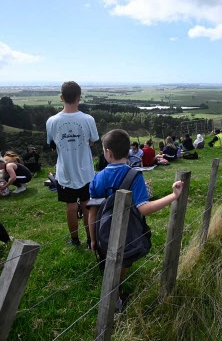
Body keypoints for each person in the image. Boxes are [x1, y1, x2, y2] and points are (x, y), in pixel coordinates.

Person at [88, 129, 183, 310]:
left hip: (102, 232)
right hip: (127, 233)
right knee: (121, 262)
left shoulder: (97, 178)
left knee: (109, 263)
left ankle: (113, 294)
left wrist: (93, 239)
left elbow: (92, 213)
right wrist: (173, 196)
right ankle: (115, 298)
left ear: (108, 152)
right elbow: (144, 209)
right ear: (128, 150)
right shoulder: (134, 176)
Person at [46, 81, 99, 249]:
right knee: (86, 204)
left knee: (70, 206)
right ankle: (91, 239)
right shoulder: (88, 119)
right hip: (86, 172)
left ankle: (74, 240)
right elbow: (93, 141)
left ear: (61, 97)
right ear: (79, 97)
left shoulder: (52, 121)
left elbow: (52, 145)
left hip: (65, 172)